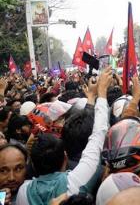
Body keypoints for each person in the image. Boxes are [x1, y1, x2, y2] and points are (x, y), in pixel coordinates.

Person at [16, 67, 113, 205]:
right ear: (65, 158)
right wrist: (101, 93)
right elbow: (98, 134)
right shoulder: (75, 183)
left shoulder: (22, 193)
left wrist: (94, 97)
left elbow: (96, 134)